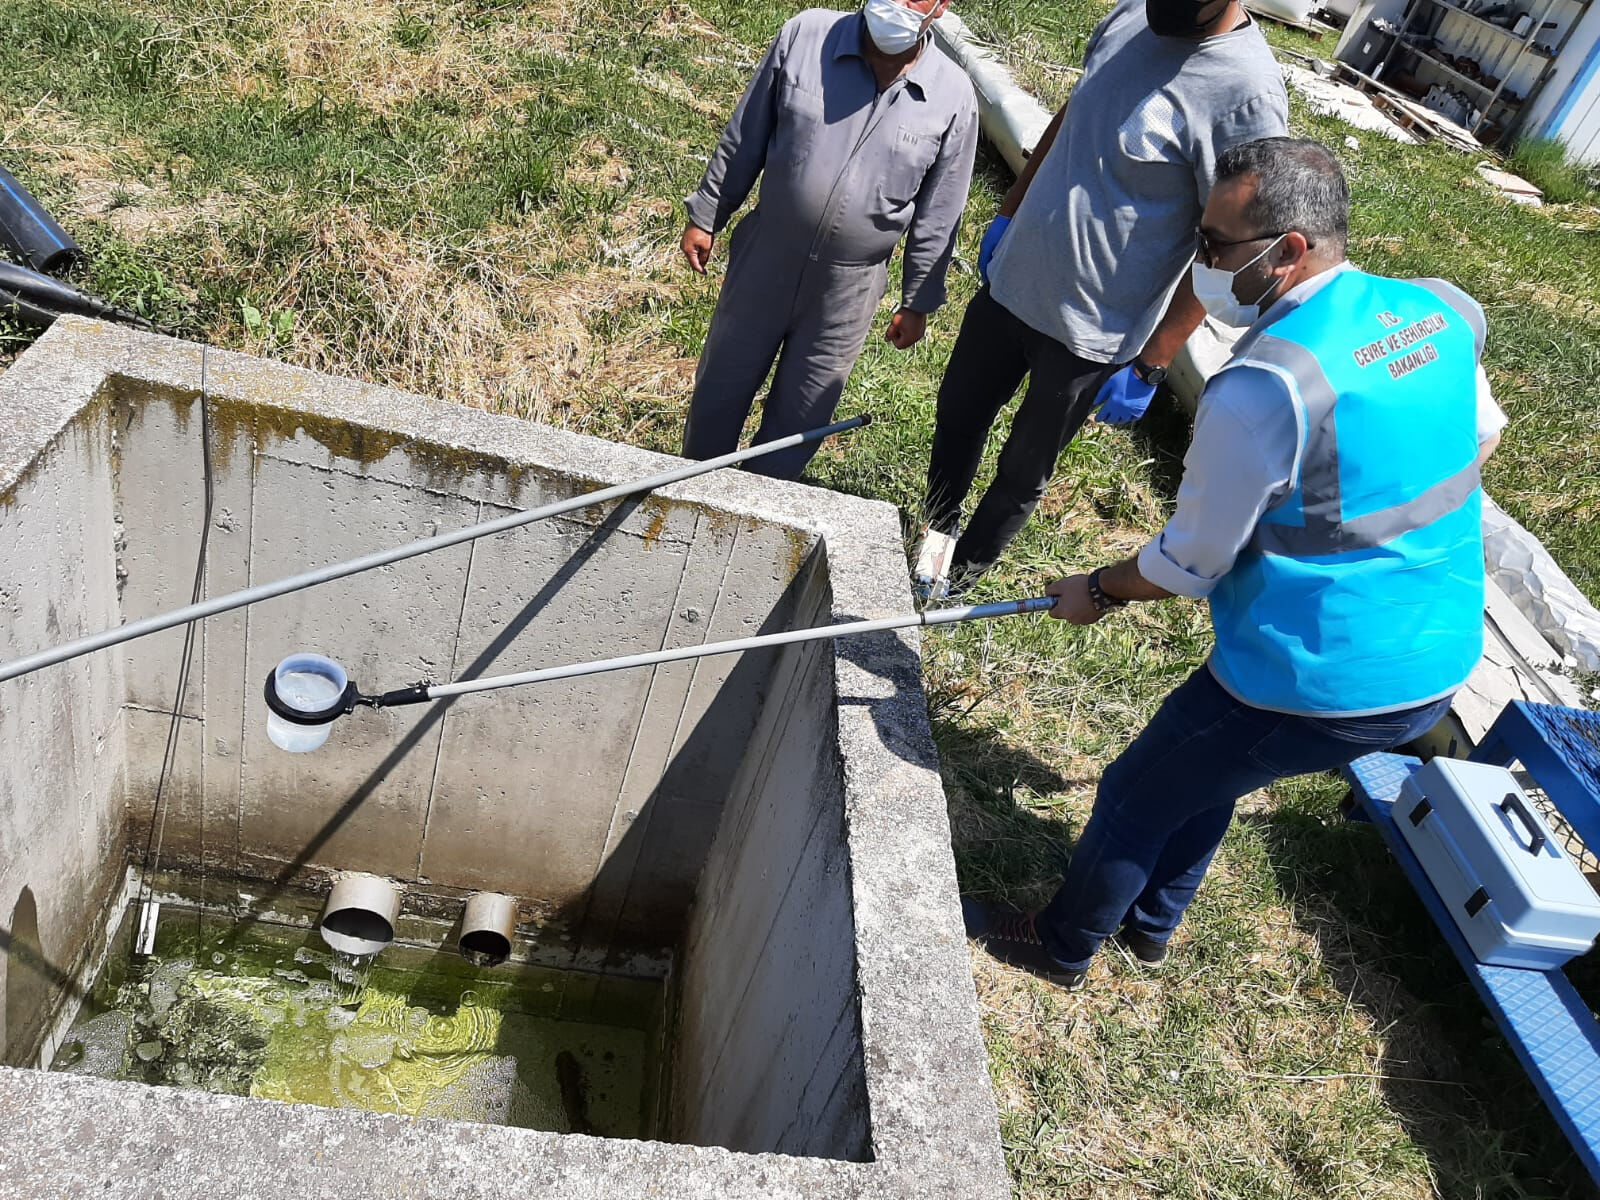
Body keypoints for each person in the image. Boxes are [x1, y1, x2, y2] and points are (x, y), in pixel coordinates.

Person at [964, 137, 1507, 991]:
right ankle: (1149, 927)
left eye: (1215, 245)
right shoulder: (1439, 312)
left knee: (1140, 791)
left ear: (1290, 249)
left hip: (1322, 674)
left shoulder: (1266, 386)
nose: (1201, 263)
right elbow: (1480, 435)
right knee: (1213, 769)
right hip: (1438, 651)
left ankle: (1060, 944)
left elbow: (1190, 563)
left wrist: (1097, 591)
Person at [913, 0, 1288, 599]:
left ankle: (957, 583)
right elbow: (1072, 112)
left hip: (1090, 333)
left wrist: (1154, 360)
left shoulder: (1246, 95)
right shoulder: (1135, 14)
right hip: (1015, 282)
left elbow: (1233, 243)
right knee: (958, 415)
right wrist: (1009, 212)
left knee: (1023, 469)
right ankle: (934, 537)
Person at [679, 0, 978, 480]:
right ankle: (688, 494)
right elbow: (747, 131)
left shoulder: (953, 96)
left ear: (940, 7)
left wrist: (919, 298)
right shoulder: (806, 36)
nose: (897, 3)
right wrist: (709, 211)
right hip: (766, 258)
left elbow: (941, 211)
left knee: (800, 417)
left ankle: (760, 517)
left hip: (849, 290)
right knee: (719, 389)